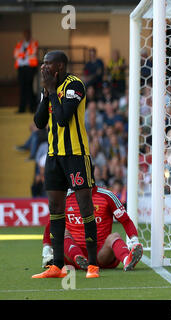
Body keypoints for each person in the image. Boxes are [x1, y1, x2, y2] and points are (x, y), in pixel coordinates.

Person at [32, 51, 99, 279]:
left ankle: (93, 265)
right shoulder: (48, 88)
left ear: (59, 65)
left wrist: (51, 91)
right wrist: (46, 91)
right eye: (43, 63)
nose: (44, 67)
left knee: (84, 206)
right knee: (55, 209)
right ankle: (57, 266)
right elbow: (40, 122)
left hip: (76, 155)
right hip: (54, 156)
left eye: (47, 63)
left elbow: (62, 118)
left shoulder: (75, 85)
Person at [39, 186, 142, 272]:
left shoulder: (107, 196)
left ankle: (127, 260)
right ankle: (79, 258)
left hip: (101, 254)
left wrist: (134, 241)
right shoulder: (65, 198)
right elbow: (52, 224)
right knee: (62, 232)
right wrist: (46, 251)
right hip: (73, 252)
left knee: (114, 236)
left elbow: (125, 220)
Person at [14, 29, 38, 113]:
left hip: (30, 68)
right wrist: (25, 54)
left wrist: (22, 54)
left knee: (29, 88)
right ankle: (22, 109)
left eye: (28, 33)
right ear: (24, 35)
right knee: (22, 88)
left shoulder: (34, 43)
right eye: (25, 34)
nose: (26, 35)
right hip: (21, 68)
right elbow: (15, 54)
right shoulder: (20, 43)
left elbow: (33, 51)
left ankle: (32, 108)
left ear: (30, 34)